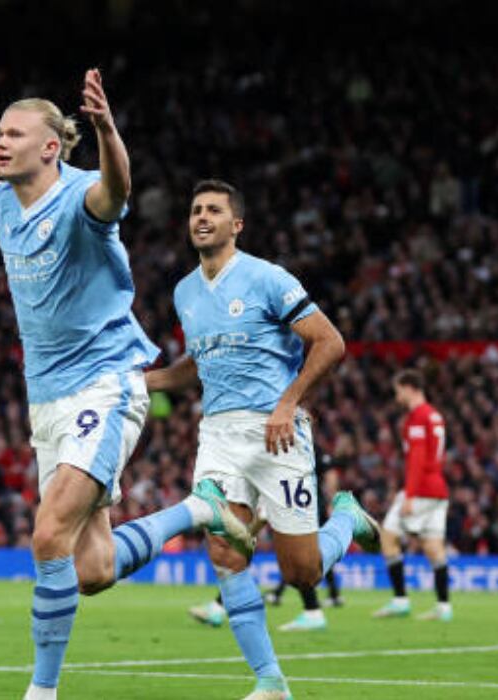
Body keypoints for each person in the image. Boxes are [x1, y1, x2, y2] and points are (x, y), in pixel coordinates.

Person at [0, 71, 242, 699]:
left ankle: (42, 692)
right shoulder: (2, 203)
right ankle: (198, 509)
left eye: (14, 133)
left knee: (48, 533)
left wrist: (107, 130)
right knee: (92, 569)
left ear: (51, 146)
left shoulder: (80, 198)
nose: (0, 143)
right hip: (46, 398)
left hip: (104, 385)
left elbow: (117, 189)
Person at [146, 180, 381, 700]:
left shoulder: (267, 278)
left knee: (303, 574)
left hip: (277, 434)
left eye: (214, 210)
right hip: (219, 434)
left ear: (237, 225)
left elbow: (330, 342)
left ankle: (347, 518)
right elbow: (198, 364)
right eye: (195, 210)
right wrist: (151, 381)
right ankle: (270, 682)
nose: (202, 217)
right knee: (225, 555)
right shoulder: (185, 291)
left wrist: (289, 403)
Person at [189, 451, 345, 633]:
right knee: (292, 557)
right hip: (295, 502)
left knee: (294, 557)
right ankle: (312, 608)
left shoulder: (287, 444)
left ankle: (313, 610)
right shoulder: (297, 443)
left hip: (296, 504)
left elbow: (330, 475)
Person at [373, 369, 453, 621]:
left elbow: (417, 458)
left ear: (409, 388)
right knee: (433, 546)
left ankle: (400, 600)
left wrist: (409, 494)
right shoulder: (435, 415)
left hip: (421, 489)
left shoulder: (418, 417)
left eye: (398, 390)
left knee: (387, 536)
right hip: (439, 489)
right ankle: (443, 607)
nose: (396, 395)